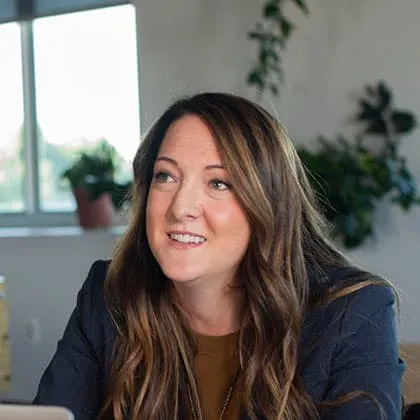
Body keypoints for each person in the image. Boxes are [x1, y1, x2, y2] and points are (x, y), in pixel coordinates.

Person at [33, 93, 404, 420]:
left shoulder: (353, 312)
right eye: (166, 176)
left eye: (218, 183)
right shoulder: (109, 295)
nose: (181, 207)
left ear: (268, 204)